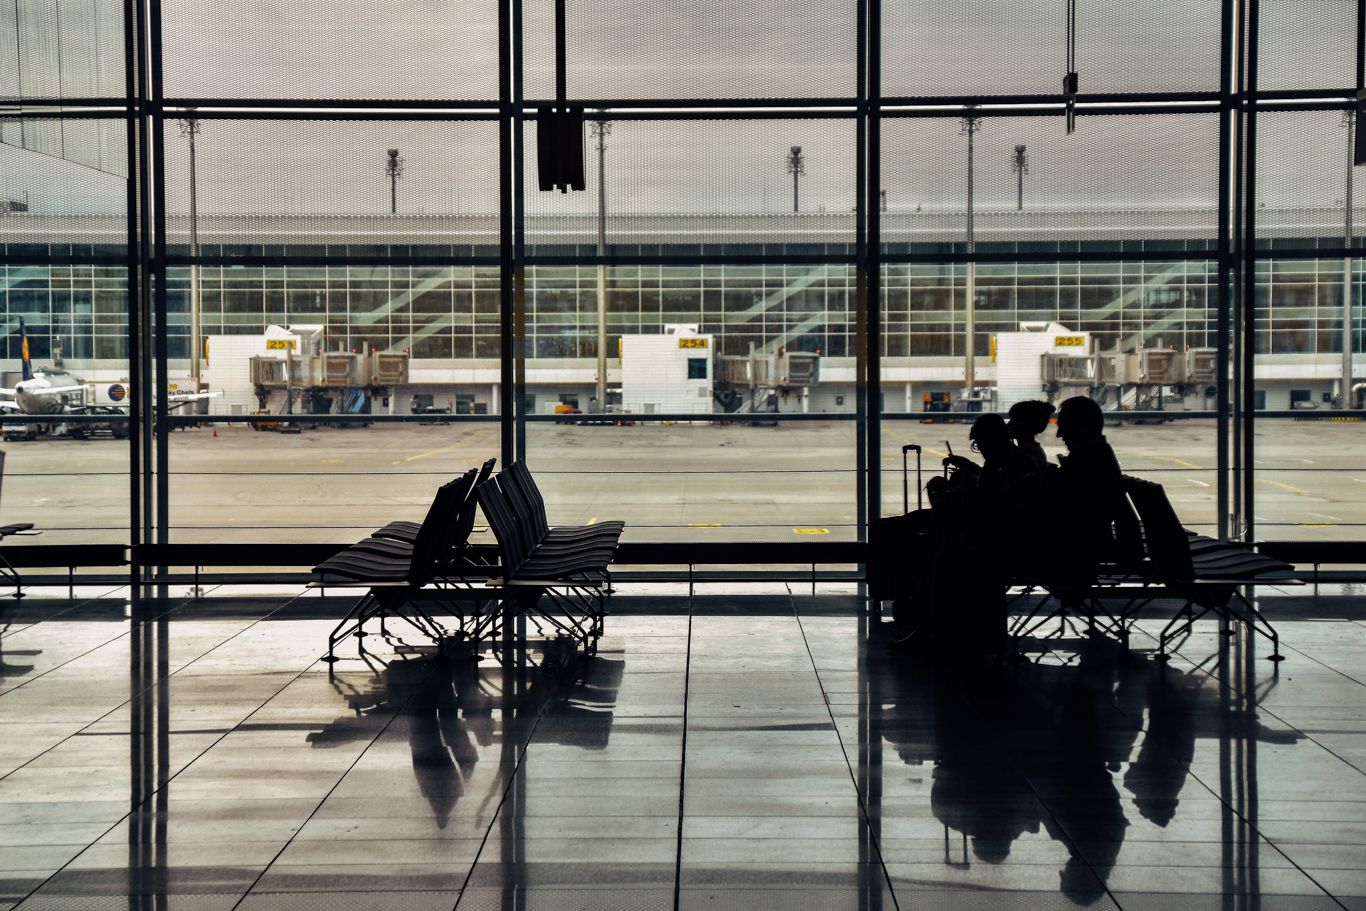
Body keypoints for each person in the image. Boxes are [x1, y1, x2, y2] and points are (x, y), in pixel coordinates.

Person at [1006, 400, 1056, 473]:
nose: (1008, 424)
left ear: (1021, 423)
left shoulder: (1024, 451)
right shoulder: (1033, 447)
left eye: (1012, 419)